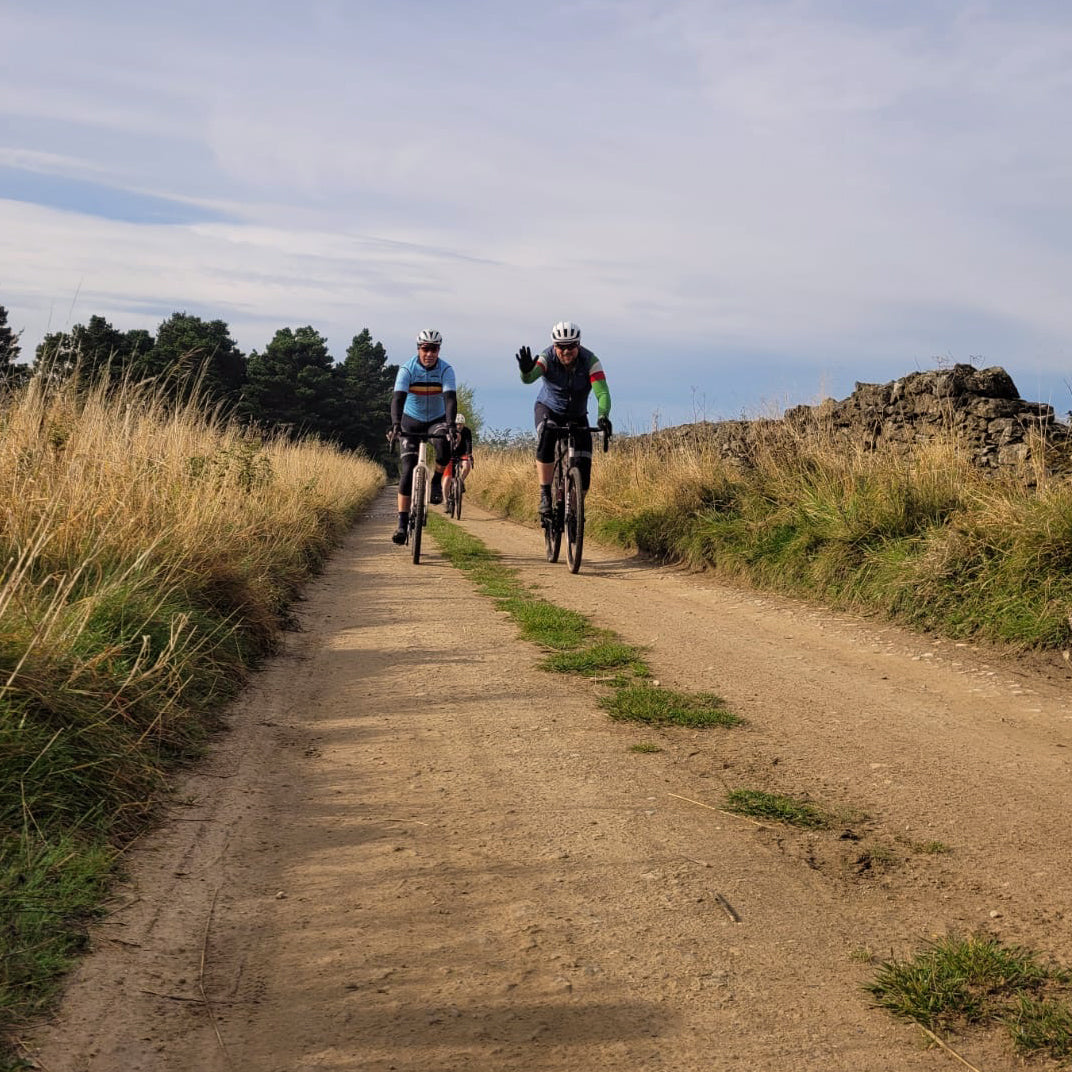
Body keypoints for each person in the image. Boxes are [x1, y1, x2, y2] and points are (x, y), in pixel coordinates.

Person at [515, 320, 611, 521]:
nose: (566, 351)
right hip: (548, 409)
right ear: (554, 346)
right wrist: (525, 371)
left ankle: (574, 510)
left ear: (578, 344)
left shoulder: (590, 361)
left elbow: (602, 392)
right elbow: (530, 377)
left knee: (584, 473)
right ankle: (545, 494)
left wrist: (602, 416)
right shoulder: (547, 357)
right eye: (560, 346)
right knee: (547, 437)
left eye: (571, 346)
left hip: (577, 415)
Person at [388, 329, 457, 544]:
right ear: (418, 349)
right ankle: (401, 524)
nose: (429, 353)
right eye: (425, 348)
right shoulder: (407, 369)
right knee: (407, 471)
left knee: (444, 446)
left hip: (436, 419)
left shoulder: (446, 370)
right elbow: (398, 399)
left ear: (439, 350)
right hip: (411, 419)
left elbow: (450, 400)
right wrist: (396, 425)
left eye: (434, 349)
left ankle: (436, 482)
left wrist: (452, 425)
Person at [442, 412, 474, 496]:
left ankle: (461, 481)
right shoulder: (450, 431)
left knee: (467, 465)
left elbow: (469, 443)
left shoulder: (467, 431)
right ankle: (448, 493)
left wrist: (470, 455)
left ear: (464, 424)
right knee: (450, 475)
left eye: (461, 424)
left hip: (462, 453)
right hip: (451, 454)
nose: (459, 426)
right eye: (457, 424)